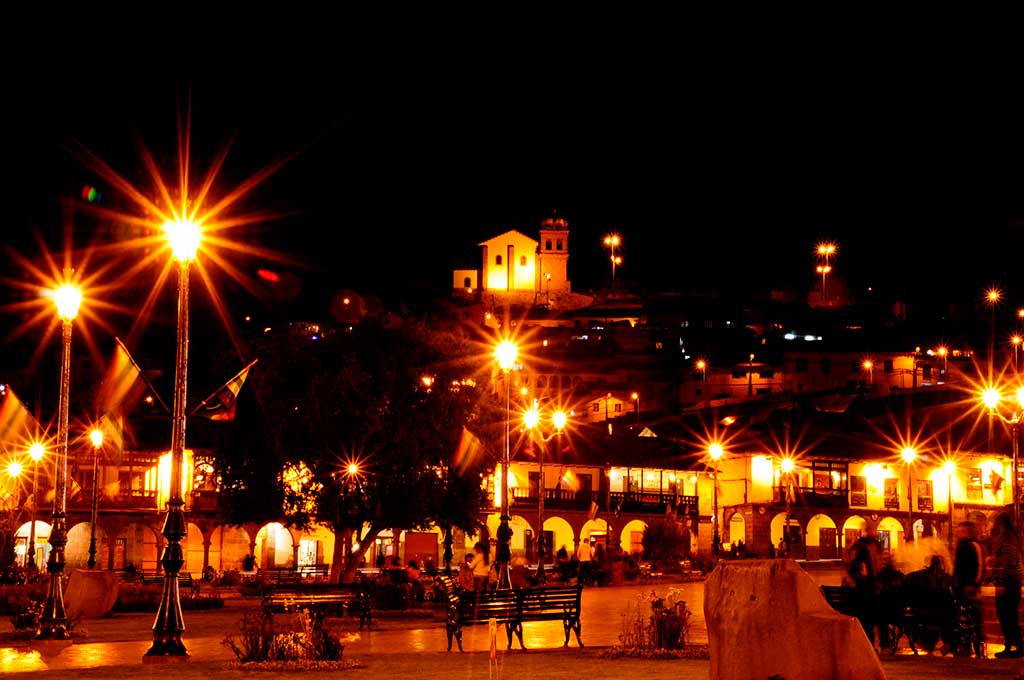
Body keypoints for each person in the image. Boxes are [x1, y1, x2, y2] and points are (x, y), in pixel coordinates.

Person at [845, 522, 885, 651]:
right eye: (872, 529)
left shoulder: (875, 545)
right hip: (865, 587)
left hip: (872, 586)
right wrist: (860, 577)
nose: (874, 531)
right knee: (869, 617)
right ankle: (870, 645)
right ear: (867, 530)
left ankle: (878, 644)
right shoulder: (861, 546)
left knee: (873, 616)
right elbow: (852, 566)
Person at [989, 512, 1023, 658]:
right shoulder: (1012, 537)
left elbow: (1008, 562)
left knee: (1006, 616)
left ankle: (1014, 646)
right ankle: (1013, 645)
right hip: (1011, 581)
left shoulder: (1006, 538)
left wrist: (999, 577)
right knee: (1009, 616)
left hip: (1008, 582)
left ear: (1000, 524)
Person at [952, 520, 986, 657]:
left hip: (970, 588)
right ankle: (964, 644)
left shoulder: (974, 546)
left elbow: (980, 566)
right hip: (960, 588)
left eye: (960, 531)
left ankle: (977, 643)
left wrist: (975, 584)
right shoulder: (961, 547)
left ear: (968, 532)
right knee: (962, 618)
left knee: (974, 617)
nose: (957, 534)